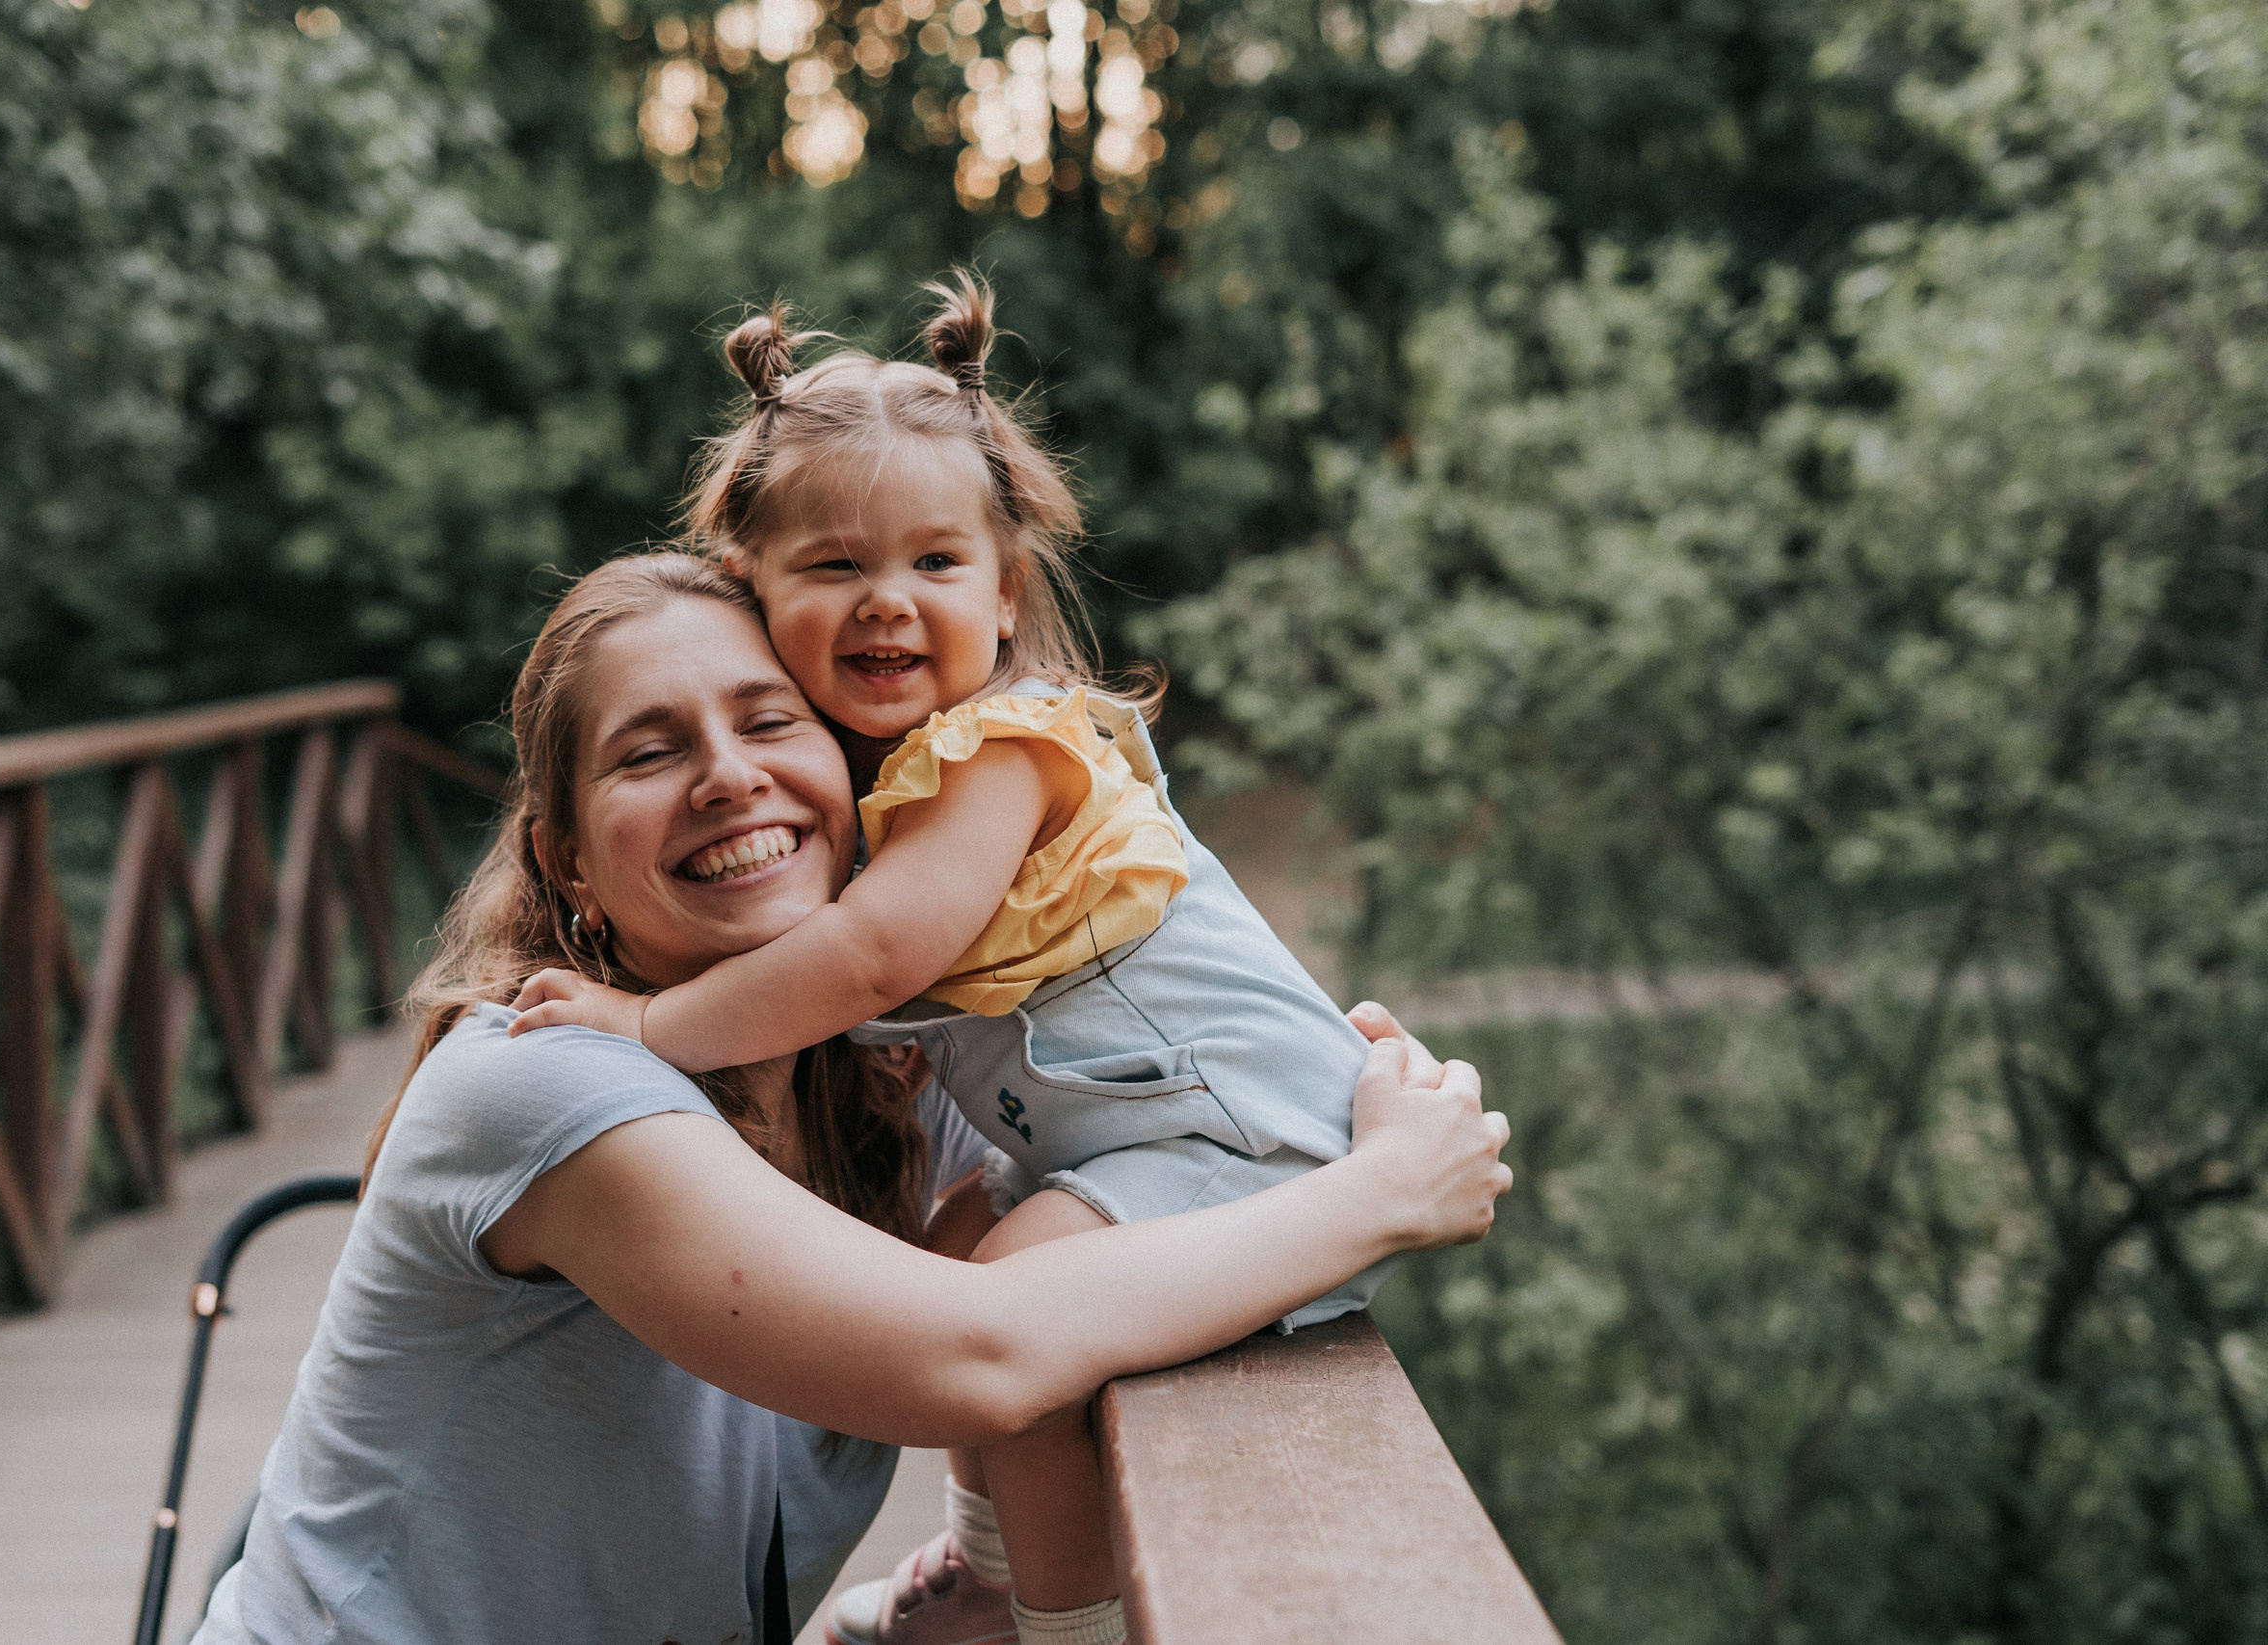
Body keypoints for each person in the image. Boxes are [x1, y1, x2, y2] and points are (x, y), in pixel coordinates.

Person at [193, 552, 1513, 1645]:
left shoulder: (886, 1068)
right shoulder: (540, 1081)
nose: (729, 775)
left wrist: (1298, 1097)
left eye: (771, 723)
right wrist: (1383, 1193)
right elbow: (984, 1355)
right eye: (650, 754)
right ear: (569, 863)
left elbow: (1136, 1167)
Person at [502, 279, 1441, 1645]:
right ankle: (986, 1566)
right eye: (834, 567)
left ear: (1005, 597)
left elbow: (877, 958)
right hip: (1110, 1133)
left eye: (935, 565)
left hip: (1240, 1138)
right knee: (947, 1245)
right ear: (752, 598)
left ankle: (1060, 1630)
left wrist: (646, 1033)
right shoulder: (885, 784)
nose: (888, 603)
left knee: (1006, 1319)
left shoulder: (1001, 748)